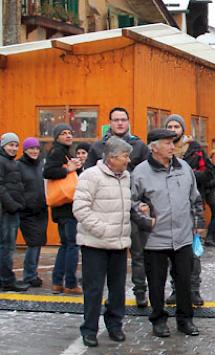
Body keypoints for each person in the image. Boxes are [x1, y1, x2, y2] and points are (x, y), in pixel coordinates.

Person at [131, 129, 203, 337]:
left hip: (182, 236)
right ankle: (159, 320)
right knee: (156, 282)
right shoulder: (141, 172)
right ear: (154, 147)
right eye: (167, 143)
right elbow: (132, 203)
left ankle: (185, 320)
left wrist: (198, 224)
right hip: (154, 238)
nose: (173, 147)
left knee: (183, 280)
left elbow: (195, 198)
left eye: (173, 143)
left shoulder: (184, 167)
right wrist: (145, 219)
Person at [85, 107, 150, 308]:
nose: (120, 123)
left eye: (123, 119)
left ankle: (140, 291)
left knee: (139, 254)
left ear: (128, 121)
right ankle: (112, 296)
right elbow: (88, 174)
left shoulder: (139, 146)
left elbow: (148, 176)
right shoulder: (99, 147)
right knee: (108, 256)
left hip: (134, 206)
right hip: (108, 209)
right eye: (116, 120)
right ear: (110, 122)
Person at [73, 137, 134, 347]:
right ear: (111, 158)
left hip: (119, 244)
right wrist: (103, 230)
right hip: (95, 244)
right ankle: (89, 329)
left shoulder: (126, 177)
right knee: (94, 289)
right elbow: (80, 209)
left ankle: (115, 325)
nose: (128, 160)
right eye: (125, 156)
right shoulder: (90, 176)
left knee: (117, 289)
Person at [164, 114, 213, 306]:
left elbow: (208, 173)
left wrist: (188, 175)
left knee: (192, 253)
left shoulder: (194, 149)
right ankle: (176, 290)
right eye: (171, 126)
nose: (174, 129)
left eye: (177, 126)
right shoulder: (161, 150)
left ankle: (194, 290)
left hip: (192, 205)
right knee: (171, 252)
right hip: (168, 207)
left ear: (183, 129)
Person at [44, 124, 82, 295]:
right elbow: (48, 171)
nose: (68, 135)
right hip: (67, 205)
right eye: (63, 133)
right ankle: (71, 283)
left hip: (62, 206)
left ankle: (57, 282)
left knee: (65, 245)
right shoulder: (58, 151)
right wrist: (69, 169)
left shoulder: (64, 152)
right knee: (72, 245)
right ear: (56, 137)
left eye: (69, 132)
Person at [0, 133, 29, 292]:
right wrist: (13, 205)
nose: (13, 148)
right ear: (3, 145)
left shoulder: (11, 162)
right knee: (7, 247)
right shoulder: (2, 161)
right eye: (10, 145)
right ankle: (7, 280)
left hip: (12, 210)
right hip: (7, 212)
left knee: (6, 247)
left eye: (16, 145)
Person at [17, 137, 48, 288]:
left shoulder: (41, 164)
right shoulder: (19, 165)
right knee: (33, 243)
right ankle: (29, 275)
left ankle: (32, 273)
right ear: (25, 150)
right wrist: (24, 203)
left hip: (41, 210)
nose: (35, 151)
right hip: (27, 211)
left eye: (36, 148)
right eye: (31, 148)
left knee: (38, 243)